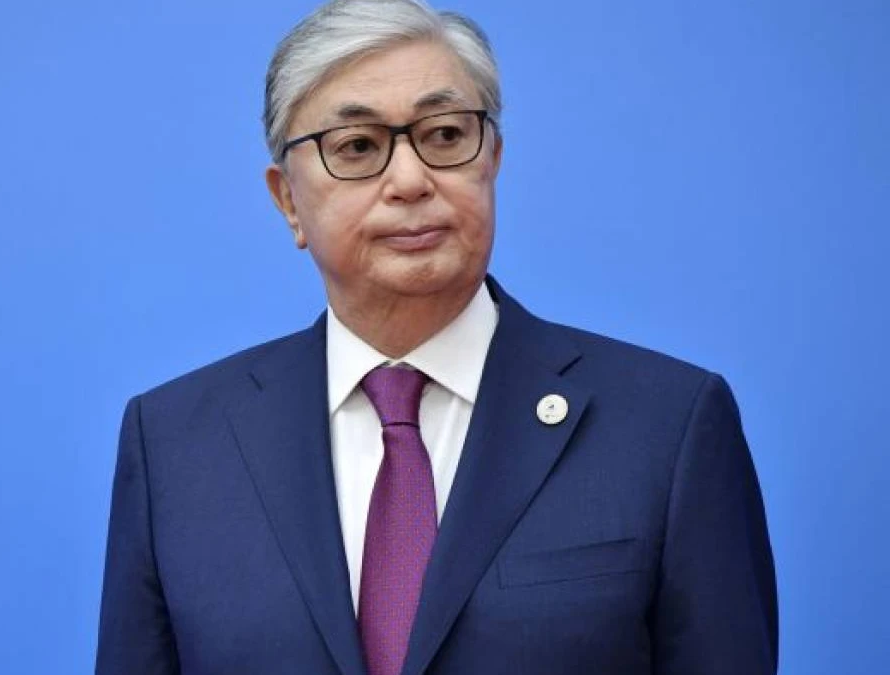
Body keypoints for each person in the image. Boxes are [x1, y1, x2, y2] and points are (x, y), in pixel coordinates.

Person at [95, 0, 778, 673]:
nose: (410, 180)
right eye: (357, 147)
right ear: (287, 200)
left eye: (445, 135)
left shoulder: (669, 426)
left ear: (493, 159)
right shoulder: (176, 444)